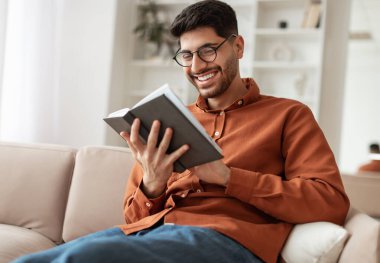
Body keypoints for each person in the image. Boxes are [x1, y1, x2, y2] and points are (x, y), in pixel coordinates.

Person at [13, 1, 349, 262]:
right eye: (186, 55)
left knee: (80, 258)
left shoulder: (288, 115)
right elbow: (132, 217)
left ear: (238, 47)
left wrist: (229, 177)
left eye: (208, 50)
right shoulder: (170, 120)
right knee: (37, 259)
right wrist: (153, 184)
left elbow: (329, 202)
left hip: (227, 241)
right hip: (149, 233)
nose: (197, 66)